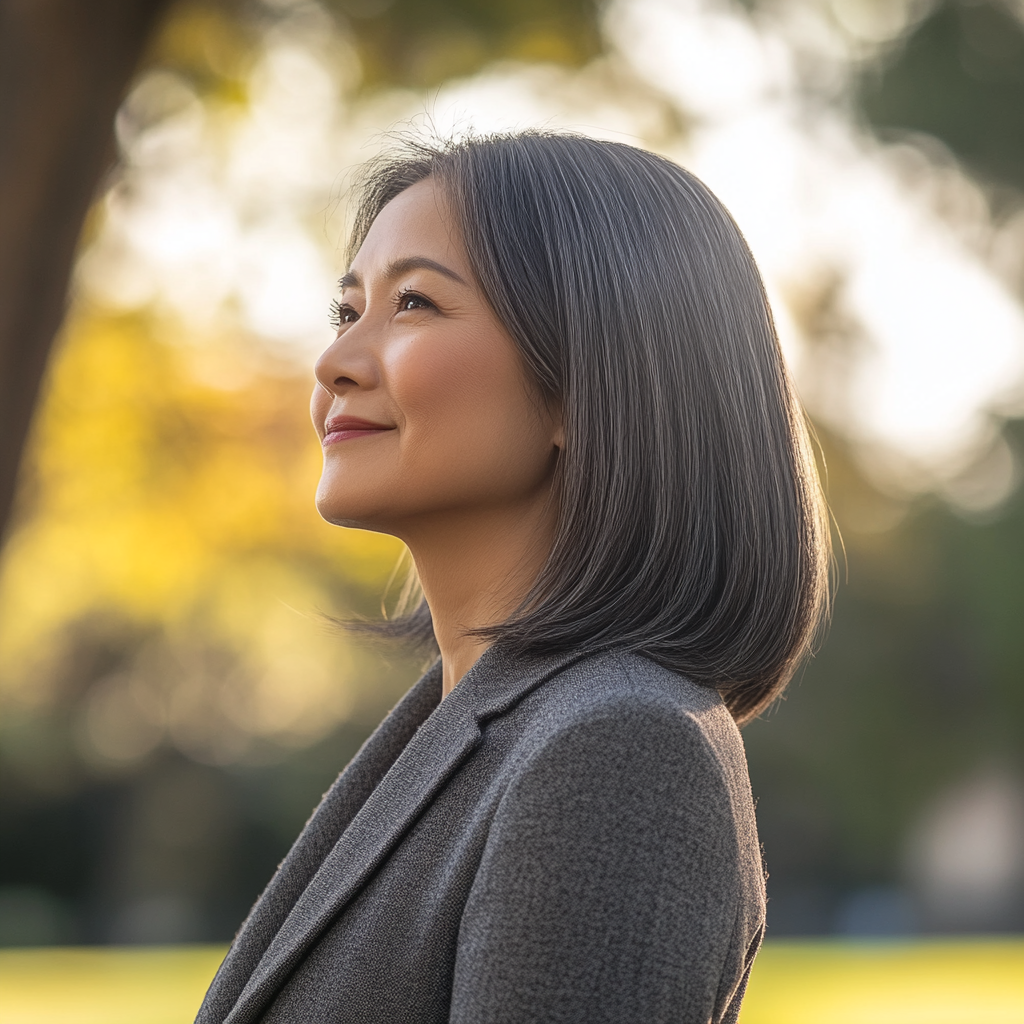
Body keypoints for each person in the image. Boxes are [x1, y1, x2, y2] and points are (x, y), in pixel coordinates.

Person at [196, 130, 830, 1024]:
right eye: (347, 311)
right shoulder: (479, 726)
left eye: (412, 303)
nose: (333, 362)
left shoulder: (619, 750)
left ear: (586, 378)